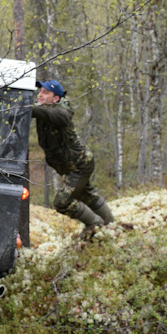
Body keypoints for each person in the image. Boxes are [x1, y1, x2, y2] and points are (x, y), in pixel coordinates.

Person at [31, 79, 114, 237]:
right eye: (40, 91)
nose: (40, 95)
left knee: (62, 202)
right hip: (71, 165)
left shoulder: (61, 112)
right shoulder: (45, 108)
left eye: (45, 92)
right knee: (87, 195)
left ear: (56, 99)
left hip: (79, 164)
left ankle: (95, 224)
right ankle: (112, 226)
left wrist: (29, 108)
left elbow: (54, 115)